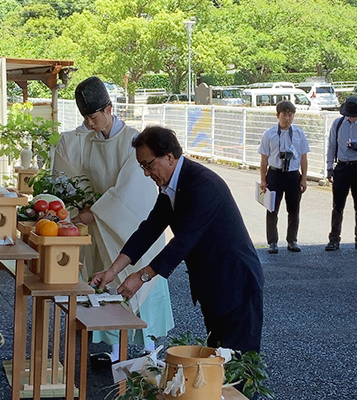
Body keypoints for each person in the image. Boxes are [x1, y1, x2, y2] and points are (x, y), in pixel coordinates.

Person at [91, 126, 264, 356]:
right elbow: (149, 229)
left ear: (169, 157)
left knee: (239, 367)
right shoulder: (171, 186)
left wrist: (141, 277)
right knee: (217, 362)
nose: (146, 173)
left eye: (148, 165)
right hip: (212, 285)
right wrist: (112, 271)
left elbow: (183, 242)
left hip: (236, 282)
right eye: (142, 166)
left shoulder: (202, 185)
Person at [53, 77, 174, 364]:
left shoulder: (133, 141)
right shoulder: (90, 142)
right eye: (86, 119)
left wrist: (92, 213)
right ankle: (115, 347)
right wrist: (82, 202)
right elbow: (86, 178)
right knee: (107, 282)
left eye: (94, 117)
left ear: (108, 109)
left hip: (131, 223)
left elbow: (129, 191)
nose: (90, 124)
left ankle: (149, 350)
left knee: (139, 281)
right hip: (103, 223)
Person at [258, 100, 310, 254]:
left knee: (294, 209)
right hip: (275, 174)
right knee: (272, 209)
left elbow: (303, 158)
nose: (287, 118)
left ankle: (292, 240)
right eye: (284, 115)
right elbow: (264, 159)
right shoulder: (269, 134)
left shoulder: (299, 134)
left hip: (293, 174)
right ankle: (272, 242)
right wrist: (263, 179)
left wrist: (304, 178)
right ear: (277, 115)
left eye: (290, 115)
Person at [325, 96, 357, 251]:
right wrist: (329, 167)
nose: (352, 117)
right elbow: (332, 145)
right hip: (342, 167)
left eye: (355, 114)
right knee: (337, 205)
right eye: (350, 114)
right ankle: (334, 239)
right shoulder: (338, 123)